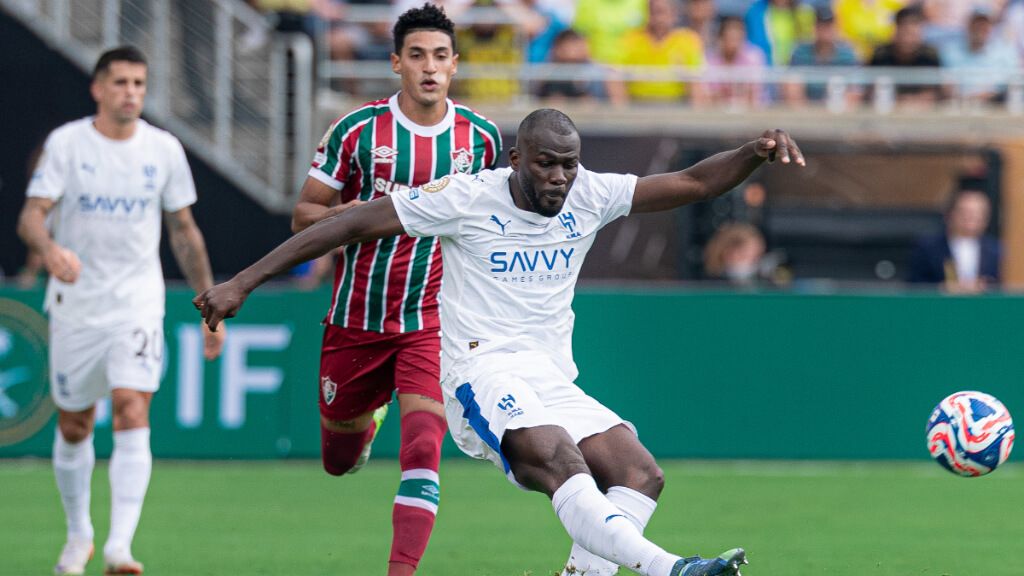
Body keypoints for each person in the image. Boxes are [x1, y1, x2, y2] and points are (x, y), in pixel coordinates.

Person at [195, 108, 805, 576]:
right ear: (516, 158)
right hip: (477, 375)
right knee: (564, 461)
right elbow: (351, 222)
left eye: (568, 163)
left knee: (640, 474)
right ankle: (672, 568)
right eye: (546, 163)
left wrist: (755, 151)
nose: (560, 177)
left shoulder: (590, 192)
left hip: (549, 377)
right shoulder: (467, 197)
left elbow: (694, 183)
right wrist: (242, 283)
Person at [290, 5, 502, 575]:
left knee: (424, 450)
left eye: (439, 56)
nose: (429, 67)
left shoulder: (480, 139)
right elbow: (302, 212)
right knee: (337, 460)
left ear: (455, 65)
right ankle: (363, 426)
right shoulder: (357, 130)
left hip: (431, 321)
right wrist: (346, 213)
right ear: (395, 63)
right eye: (416, 56)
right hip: (356, 318)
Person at [15, 46, 224, 576]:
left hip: (136, 303)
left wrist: (210, 304)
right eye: (121, 82)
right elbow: (30, 219)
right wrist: (50, 250)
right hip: (76, 306)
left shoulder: (164, 149)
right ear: (98, 89)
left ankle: (119, 548)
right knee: (75, 424)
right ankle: (79, 534)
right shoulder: (67, 144)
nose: (131, 92)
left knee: (133, 406)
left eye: (139, 83)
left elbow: (184, 231)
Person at [908, 187, 1001, 293]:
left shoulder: (995, 250)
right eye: (965, 212)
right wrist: (941, 288)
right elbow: (914, 286)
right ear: (949, 215)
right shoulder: (928, 248)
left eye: (978, 213)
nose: (971, 218)